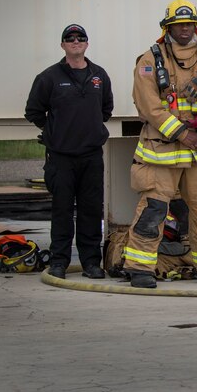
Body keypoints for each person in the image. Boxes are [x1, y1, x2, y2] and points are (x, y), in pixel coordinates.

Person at [124, 0, 197, 288]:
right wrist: (183, 134)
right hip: (163, 152)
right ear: (167, 28)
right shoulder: (150, 61)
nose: (185, 29)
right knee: (153, 211)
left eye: (190, 24)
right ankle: (140, 269)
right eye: (178, 25)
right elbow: (149, 107)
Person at [25, 24, 113, 279]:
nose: (75, 41)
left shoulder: (100, 76)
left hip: (91, 156)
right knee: (61, 210)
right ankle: (59, 262)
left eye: (80, 38)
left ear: (87, 44)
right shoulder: (49, 77)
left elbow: (106, 110)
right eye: (69, 38)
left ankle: (91, 263)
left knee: (91, 210)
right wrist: (56, 130)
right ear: (62, 45)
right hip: (61, 156)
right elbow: (33, 112)